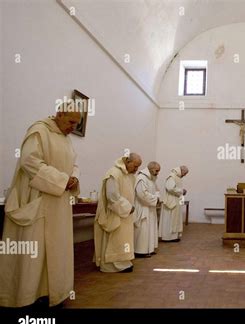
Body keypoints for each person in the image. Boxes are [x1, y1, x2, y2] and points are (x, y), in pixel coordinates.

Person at [0, 105, 81, 307]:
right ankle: (29, 296)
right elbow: (29, 161)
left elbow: (74, 165)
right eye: (71, 122)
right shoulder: (39, 131)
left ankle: (53, 293)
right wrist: (63, 180)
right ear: (59, 115)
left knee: (55, 249)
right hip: (39, 201)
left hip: (59, 203)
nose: (73, 127)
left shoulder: (65, 139)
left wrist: (73, 179)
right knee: (35, 253)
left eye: (76, 124)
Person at [94, 153, 142, 273]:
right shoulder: (114, 173)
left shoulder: (128, 175)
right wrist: (127, 207)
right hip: (115, 213)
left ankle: (124, 261)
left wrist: (130, 208)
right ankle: (111, 265)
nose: (136, 170)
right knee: (115, 239)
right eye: (135, 166)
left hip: (125, 213)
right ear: (127, 161)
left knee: (123, 239)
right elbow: (112, 196)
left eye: (138, 167)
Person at [134, 162, 161, 257]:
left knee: (150, 228)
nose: (158, 173)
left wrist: (157, 197)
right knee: (143, 230)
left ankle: (149, 249)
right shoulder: (142, 178)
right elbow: (142, 194)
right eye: (157, 170)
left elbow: (157, 190)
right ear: (151, 168)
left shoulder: (152, 179)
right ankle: (140, 251)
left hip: (150, 207)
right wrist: (155, 199)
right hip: (143, 207)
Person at [159, 166, 189, 242]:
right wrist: (181, 191)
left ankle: (173, 237)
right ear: (181, 171)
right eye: (185, 173)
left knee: (174, 219)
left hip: (175, 201)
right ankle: (167, 237)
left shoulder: (177, 177)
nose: (184, 175)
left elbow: (175, 188)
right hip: (170, 202)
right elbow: (170, 188)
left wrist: (181, 191)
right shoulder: (171, 176)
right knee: (169, 220)